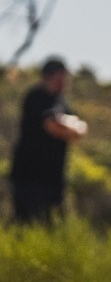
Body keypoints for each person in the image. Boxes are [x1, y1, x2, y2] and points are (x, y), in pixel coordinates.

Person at [8, 57, 87, 225]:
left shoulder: (61, 101)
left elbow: (81, 129)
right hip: (30, 178)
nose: (65, 82)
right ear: (51, 76)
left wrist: (68, 125)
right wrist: (69, 126)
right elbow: (53, 126)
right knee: (27, 224)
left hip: (54, 178)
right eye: (62, 77)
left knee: (51, 225)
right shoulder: (36, 97)